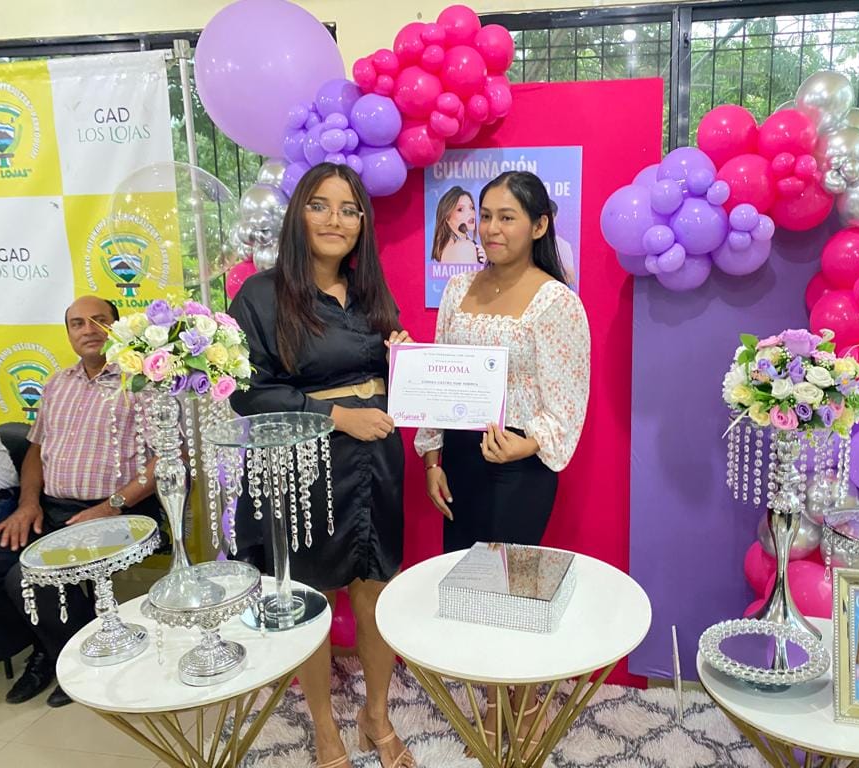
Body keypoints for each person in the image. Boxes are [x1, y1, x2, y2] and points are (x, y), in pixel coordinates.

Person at [229, 163, 414, 768]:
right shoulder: (260, 296)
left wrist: (406, 363)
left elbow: (387, 377)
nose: (336, 219)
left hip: (376, 461)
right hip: (303, 465)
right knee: (309, 595)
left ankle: (375, 715)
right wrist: (336, 415)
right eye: (320, 205)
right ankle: (325, 728)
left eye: (349, 209)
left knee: (375, 590)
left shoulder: (369, 293)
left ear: (362, 223)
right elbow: (247, 393)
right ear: (297, 215)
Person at [414, 170, 590, 756]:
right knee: (468, 584)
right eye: (485, 215)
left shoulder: (556, 302)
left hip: (518, 463)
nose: (491, 228)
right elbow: (439, 377)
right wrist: (433, 457)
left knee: (511, 593)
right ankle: (493, 699)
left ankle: (525, 703)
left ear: (539, 226)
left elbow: (567, 396)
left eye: (507, 217)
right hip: (462, 459)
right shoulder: (458, 290)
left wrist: (528, 441)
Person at [0, 296, 159, 708]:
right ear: (68, 333)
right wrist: (28, 504)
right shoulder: (56, 383)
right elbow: (36, 451)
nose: (88, 330)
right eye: (77, 323)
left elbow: (168, 458)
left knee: (26, 578)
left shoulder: (141, 381)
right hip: (51, 510)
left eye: (99, 320)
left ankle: (76, 662)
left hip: (118, 509)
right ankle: (49, 645)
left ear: (117, 327)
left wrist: (112, 505)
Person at [430, 185, 485, 265]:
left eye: (471, 208)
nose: (470, 213)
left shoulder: (445, 249)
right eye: (460, 209)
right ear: (447, 218)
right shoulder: (466, 247)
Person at [549, 199, 577, 289]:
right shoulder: (527, 242)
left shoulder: (563, 245)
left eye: (550, 217)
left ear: (555, 218)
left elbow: (570, 277)